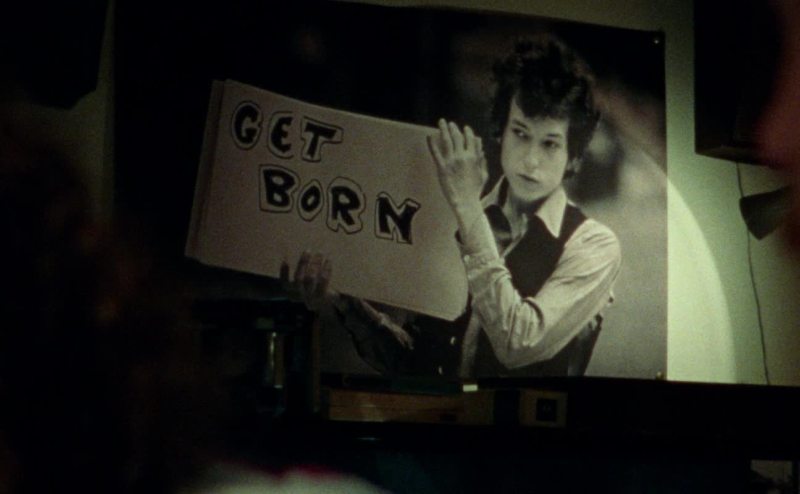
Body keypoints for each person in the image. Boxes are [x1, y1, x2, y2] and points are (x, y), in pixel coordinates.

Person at [287, 34, 621, 379]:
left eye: (550, 144)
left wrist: (466, 207)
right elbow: (416, 363)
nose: (531, 160)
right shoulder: (462, 215)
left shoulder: (594, 245)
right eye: (520, 134)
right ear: (501, 131)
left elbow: (518, 343)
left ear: (573, 156)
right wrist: (345, 303)